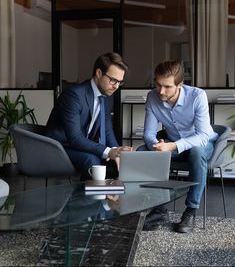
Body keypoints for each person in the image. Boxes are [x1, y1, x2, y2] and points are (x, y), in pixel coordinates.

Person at [139, 61, 218, 233]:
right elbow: (148, 133)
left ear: (180, 85)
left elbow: (203, 135)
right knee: (142, 152)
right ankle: (159, 208)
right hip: (171, 145)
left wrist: (173, 145)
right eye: (158, 84)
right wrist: (156, 145)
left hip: (201, 144)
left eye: (167, 87)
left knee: (196, 153)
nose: (161, 91)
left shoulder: (197, 96)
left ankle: (190, 211)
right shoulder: (153, 97)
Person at [45, 52, 132, 180]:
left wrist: (117, 151)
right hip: (59, 148)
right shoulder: (74, 96)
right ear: (98, 73)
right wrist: (109, 152)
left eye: (120, 82)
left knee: (114, 159)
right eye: (113, 80)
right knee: (91, 159)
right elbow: (74, 138)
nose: (116, 87)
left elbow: (107, 129)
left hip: (79, 146)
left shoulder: (107, 96)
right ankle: (92, 199)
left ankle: (105, 196)